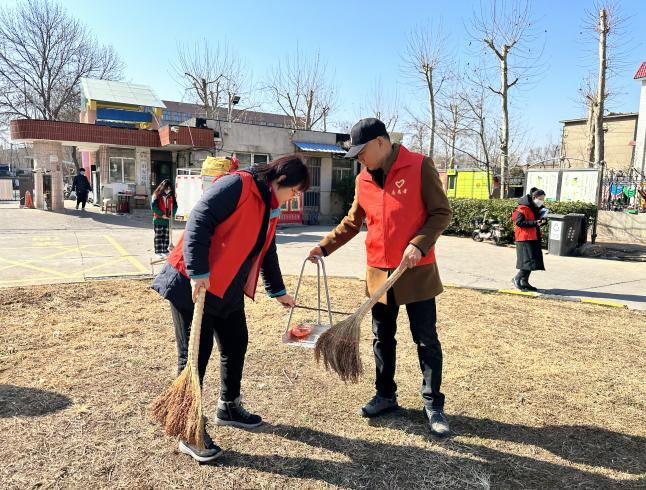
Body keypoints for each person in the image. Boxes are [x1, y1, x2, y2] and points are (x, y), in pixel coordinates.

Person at [151, 154, 309, 462]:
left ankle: (229, 405)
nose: (295, 197)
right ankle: (188, 429)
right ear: (279, 180)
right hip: (193, 282)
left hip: (227, 288)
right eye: (295, 190)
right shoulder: (238, 184)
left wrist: (278, 291)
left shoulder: (269, 206)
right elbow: (200, 219)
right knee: (195, 356)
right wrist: (198, 272)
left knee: (236, 343)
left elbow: (268, 249)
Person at [307, 118, 453, 437]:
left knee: (426, 339)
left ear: (381, 143)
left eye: (362, 152)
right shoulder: (363, 180)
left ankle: (433, 404)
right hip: (378, 273)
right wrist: (324, 246)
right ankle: (385, 395)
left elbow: (441, 213)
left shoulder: (419, 166)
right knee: (381, 338)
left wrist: (418, 244)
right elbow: (352, 221)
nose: (359, 159)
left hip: (416, 271)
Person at [512, 187, 547, 292]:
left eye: (543, 199)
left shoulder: (536, 208)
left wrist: (543, 220)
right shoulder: (522, 208)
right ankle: (517, 278)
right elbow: (519, 222)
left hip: (534, 237)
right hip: (524, 238)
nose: (542, 201)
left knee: (533, 261)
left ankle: (524, 282)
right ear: (534, 197)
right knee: (528, 261)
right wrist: (535, 223)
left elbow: (537, 220)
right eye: (540, 198)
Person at [150, 180, 177, 258]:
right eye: (166, 188)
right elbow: (154, 207)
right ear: (162, 187)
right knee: (158, 236)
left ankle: (165, 250)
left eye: (169, 188)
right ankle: (158, 252)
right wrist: (162, 215)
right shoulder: (156, 195)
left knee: (166, 236)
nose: (168, 190)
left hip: (167, 219)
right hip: (158, 219)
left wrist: (172, 214)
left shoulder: (171, 196)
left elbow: (175, 206)